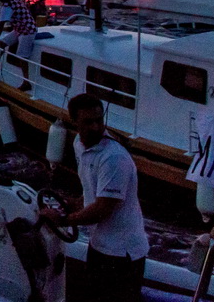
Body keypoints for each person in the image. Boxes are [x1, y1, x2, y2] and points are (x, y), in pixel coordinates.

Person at [39, 92, 148, 302]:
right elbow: (92, 193)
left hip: (123, 254)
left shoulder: (114, 157)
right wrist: (73, 204)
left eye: (99, 120)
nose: (96, 127)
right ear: (75, 121)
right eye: (88, 122)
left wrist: (61, 220)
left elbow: (102, 209)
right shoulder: (79, 146)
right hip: (99, 246)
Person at [0, 0, 38, 76]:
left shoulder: (7, 6)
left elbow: (1, 24)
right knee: (2, 44)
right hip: (20, 28)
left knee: (22, 56)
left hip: (27, 31)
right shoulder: (14, 0)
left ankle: (26, 82)